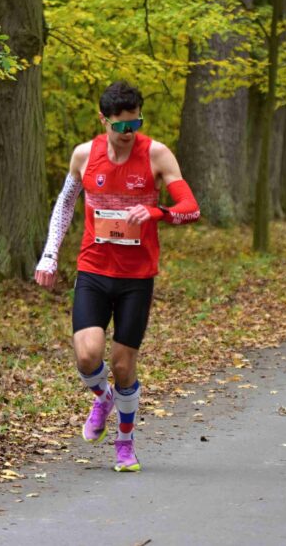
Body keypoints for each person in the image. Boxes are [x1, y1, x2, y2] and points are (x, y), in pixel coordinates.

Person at [35, 81, 200, 472]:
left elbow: (191, 208)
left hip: (136, 277)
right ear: (103, 120)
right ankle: (103, 397)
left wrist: (157, 212)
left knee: (124, 367)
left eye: (135, 124)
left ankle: (125, 442)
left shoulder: (156, 154)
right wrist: (50, 255)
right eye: (121, 126)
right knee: (87, 354)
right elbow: (65, 204)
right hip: (94, 269)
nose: (129, 133)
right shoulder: (84, 155)